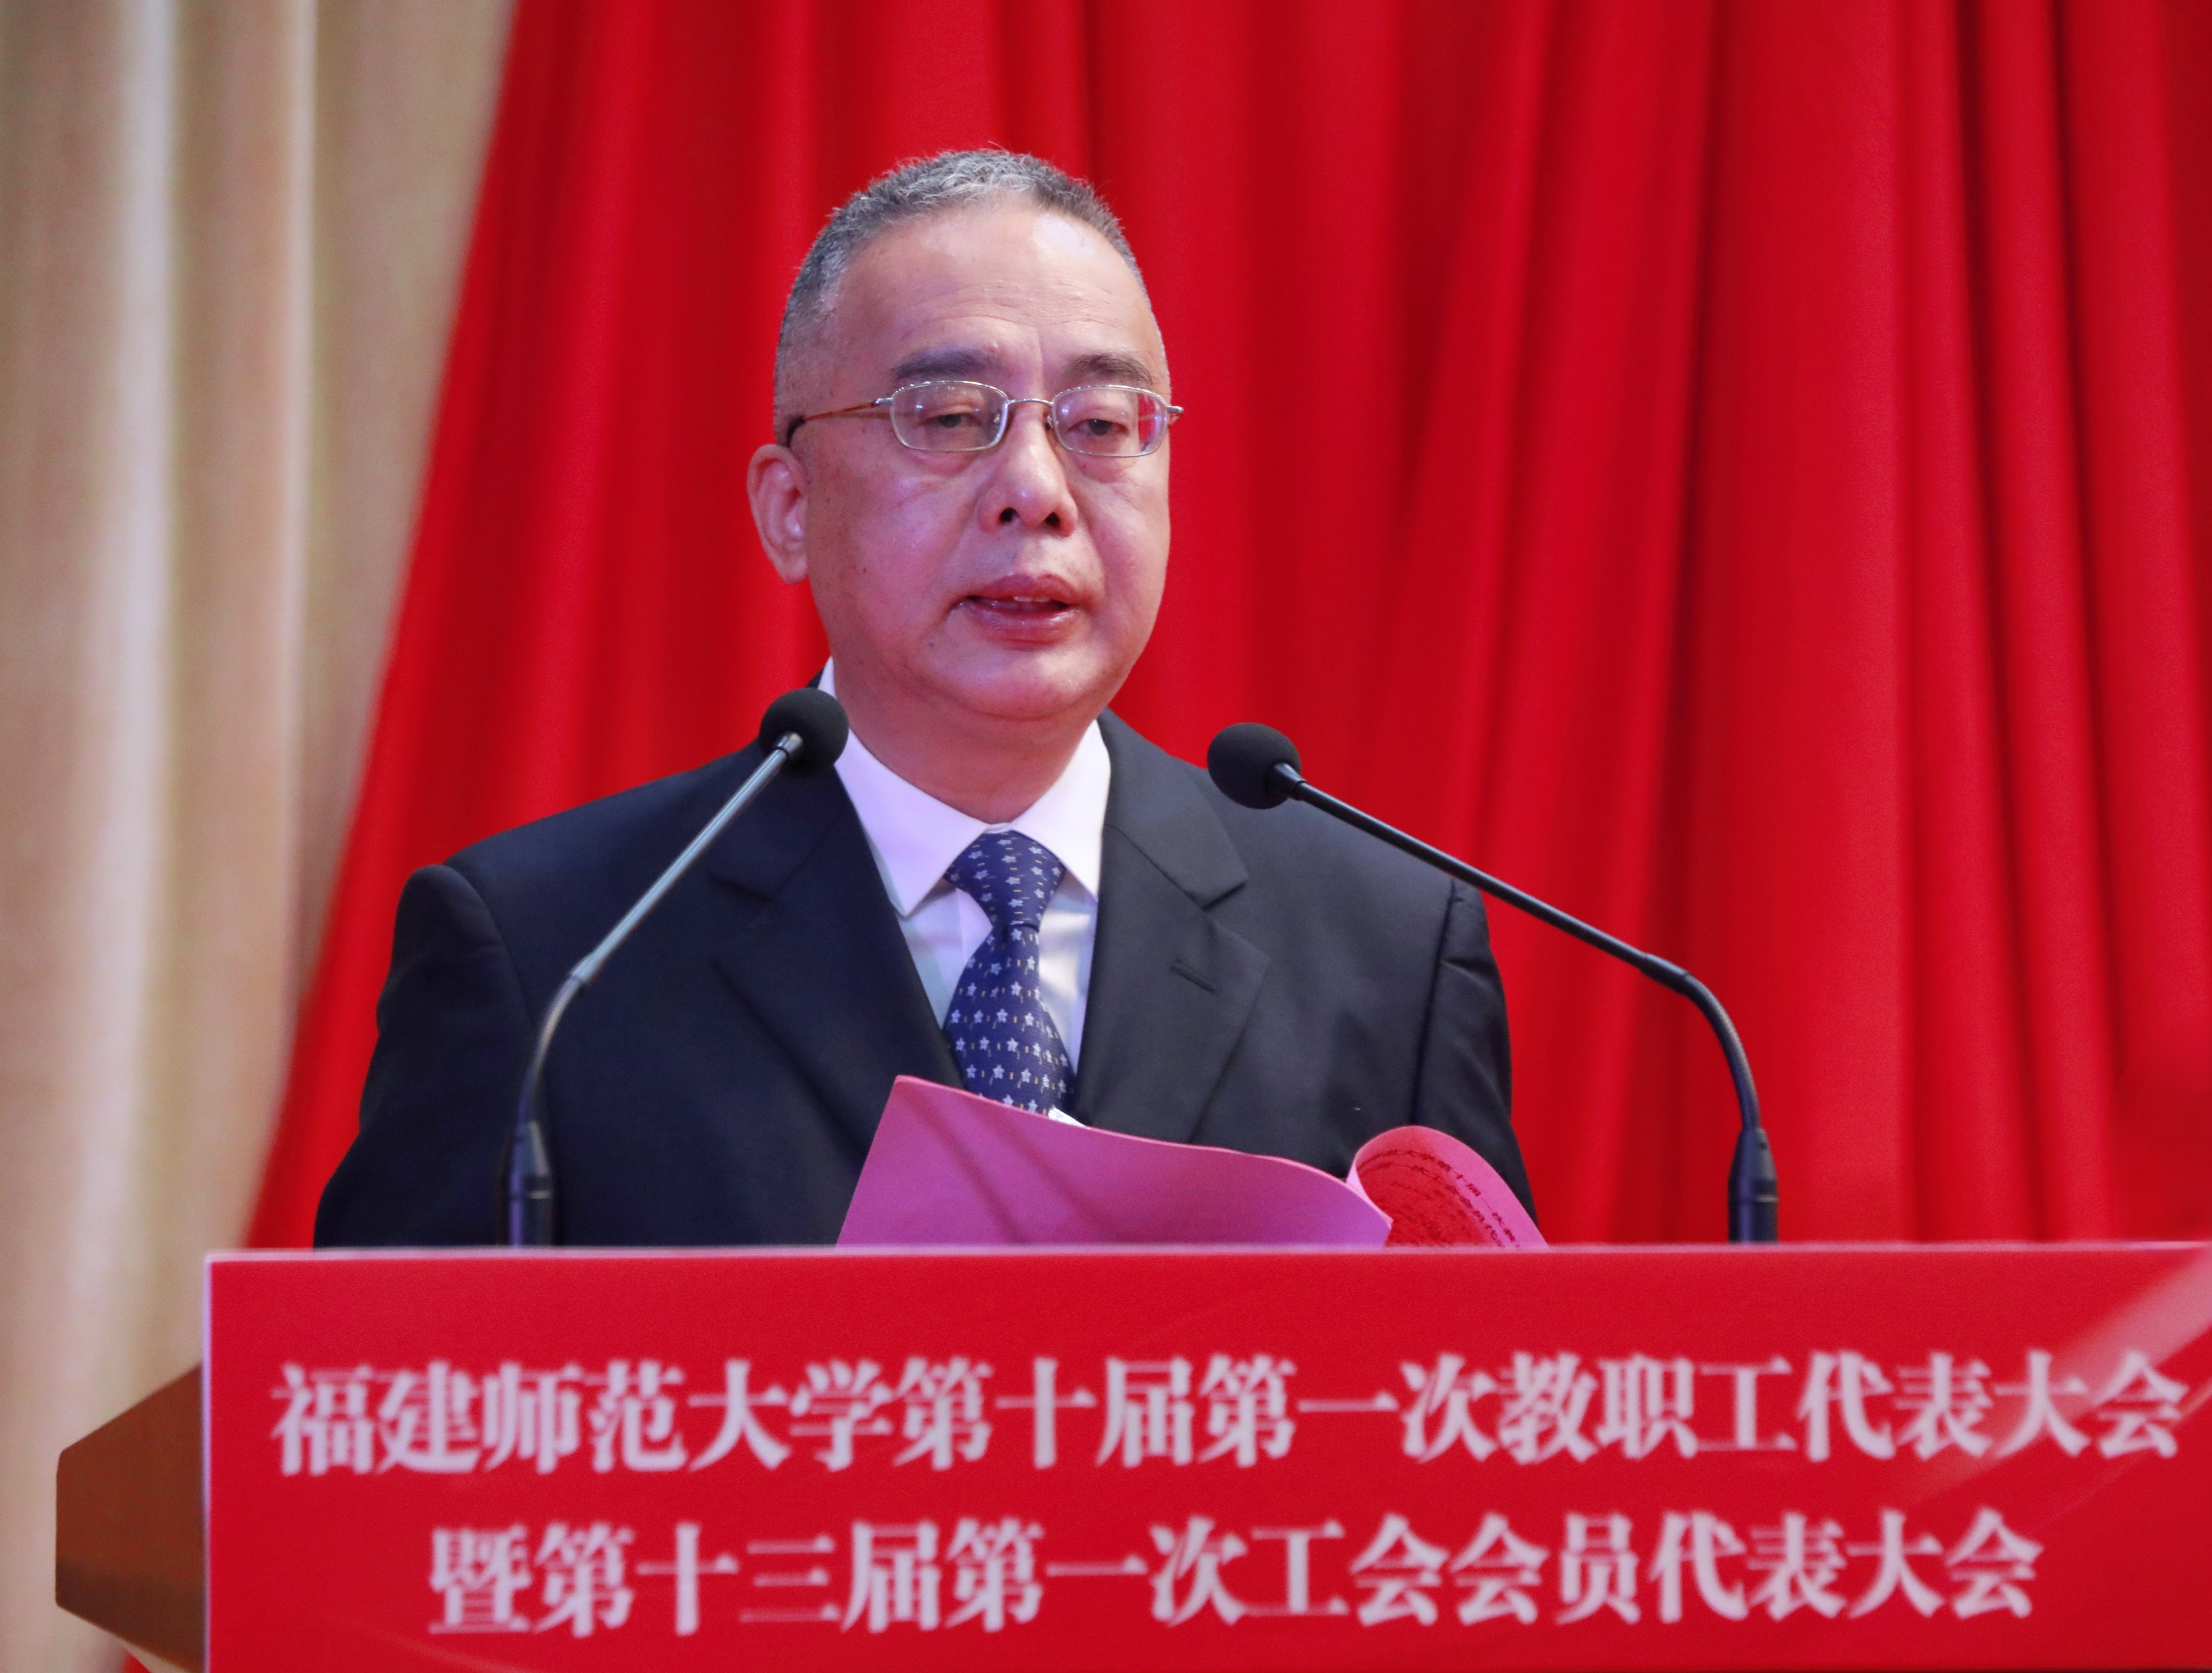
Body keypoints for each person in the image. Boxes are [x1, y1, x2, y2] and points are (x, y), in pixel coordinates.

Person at [314, 151, 1530, 1246]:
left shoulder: (1388, 952)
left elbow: (1496, 1399)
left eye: (1103, 423)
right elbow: (382, 1403)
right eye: (949, 418)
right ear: (791, 509)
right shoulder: (555, 959)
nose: (1037, 489)